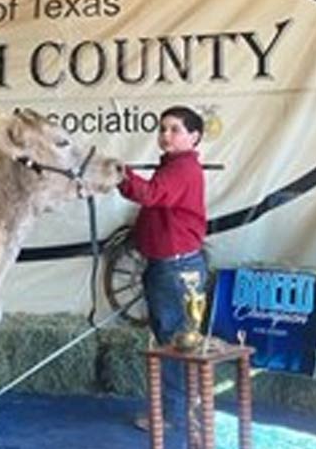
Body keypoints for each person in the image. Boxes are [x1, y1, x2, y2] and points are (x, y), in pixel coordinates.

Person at [117, 106, 207, 438]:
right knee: (171, 338)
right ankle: (179, 408)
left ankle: (175, 415)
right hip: (169, 265)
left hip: (174, 268)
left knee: (173, 341)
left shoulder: (182, 169)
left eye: (174, 129)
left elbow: (150, 194)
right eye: (162, 129)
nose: (165, 135)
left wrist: (121, 175)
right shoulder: (173, 167)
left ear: (194, 137)